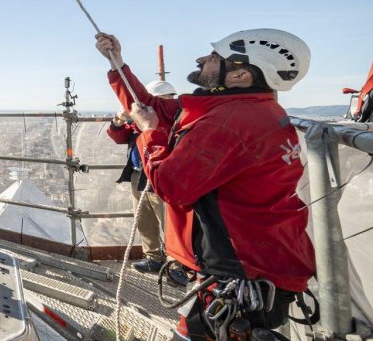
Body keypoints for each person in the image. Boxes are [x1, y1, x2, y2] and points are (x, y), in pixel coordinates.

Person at [95, 30, 316, 339]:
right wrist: (117, 62)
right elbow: (151, 106)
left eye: (214, 58)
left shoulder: (227, 123)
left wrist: (149, 133)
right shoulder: (242, 110)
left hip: (239, 270)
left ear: (239, 74)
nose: (202, 59)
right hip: (253, 262)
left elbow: (170, 186)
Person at [107, 79, 175, 274]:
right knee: (144, 218)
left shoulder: (171, 121)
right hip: (140, 175)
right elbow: (119, 137)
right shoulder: (142, 122)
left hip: (162, 176)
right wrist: (118, 121)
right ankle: (154, 257)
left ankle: (177, 263)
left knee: (169, 222)